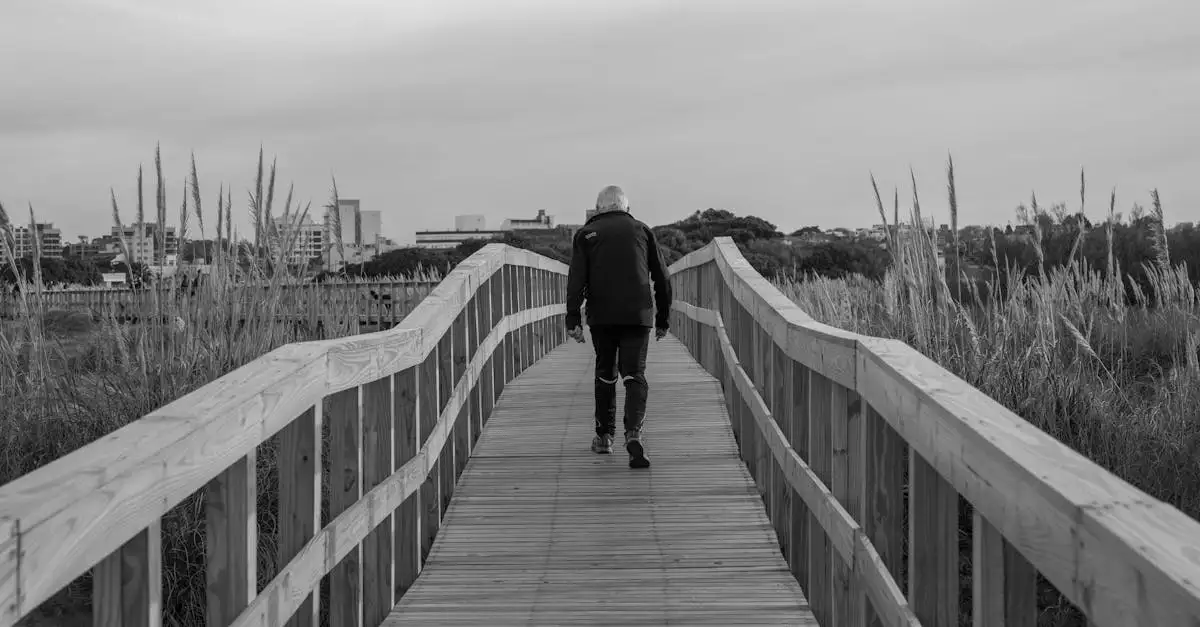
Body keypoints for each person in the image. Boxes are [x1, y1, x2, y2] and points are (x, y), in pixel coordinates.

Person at [565, 185, 673, 469]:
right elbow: (662, 277)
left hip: (601, 314)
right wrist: (663, 318)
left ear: (599, 208)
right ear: (626, 207)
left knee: (605, 374)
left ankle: (604, 438)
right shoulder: (642, 230)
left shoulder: (586, 234)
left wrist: (573, 319)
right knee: (634, 374)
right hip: (638, 313)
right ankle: (633, 433)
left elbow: (576, 279)